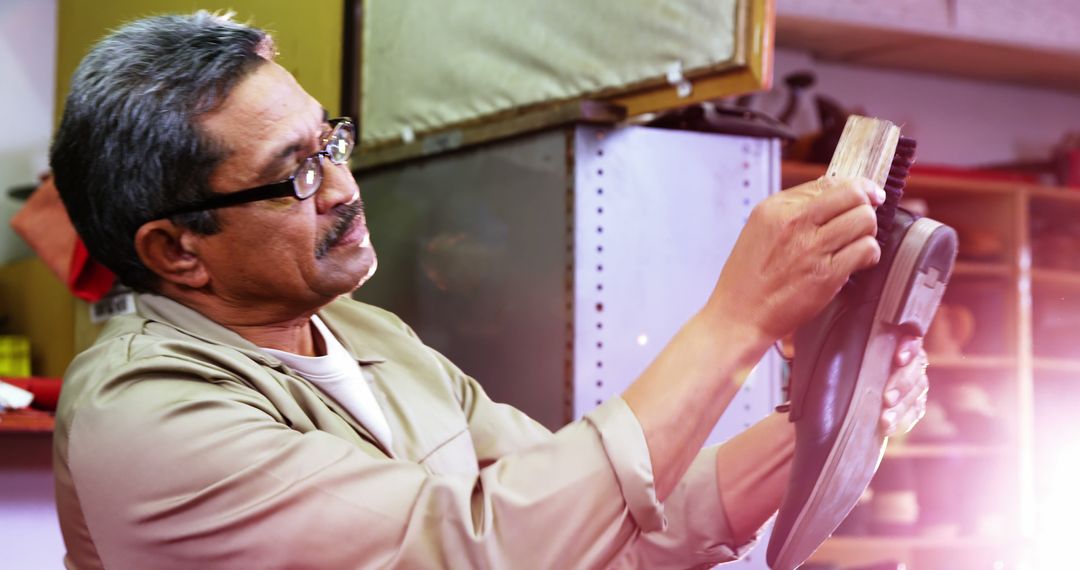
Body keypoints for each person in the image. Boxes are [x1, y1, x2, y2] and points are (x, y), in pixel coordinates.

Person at [49, 11, 929, 570]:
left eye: (331, 142)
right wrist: (737, 321)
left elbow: (614, 524)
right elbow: (485, 552)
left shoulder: (371, 337)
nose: (346, 186)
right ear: (177, 251)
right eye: (297, 175)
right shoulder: (145, 412)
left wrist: (825, 419)